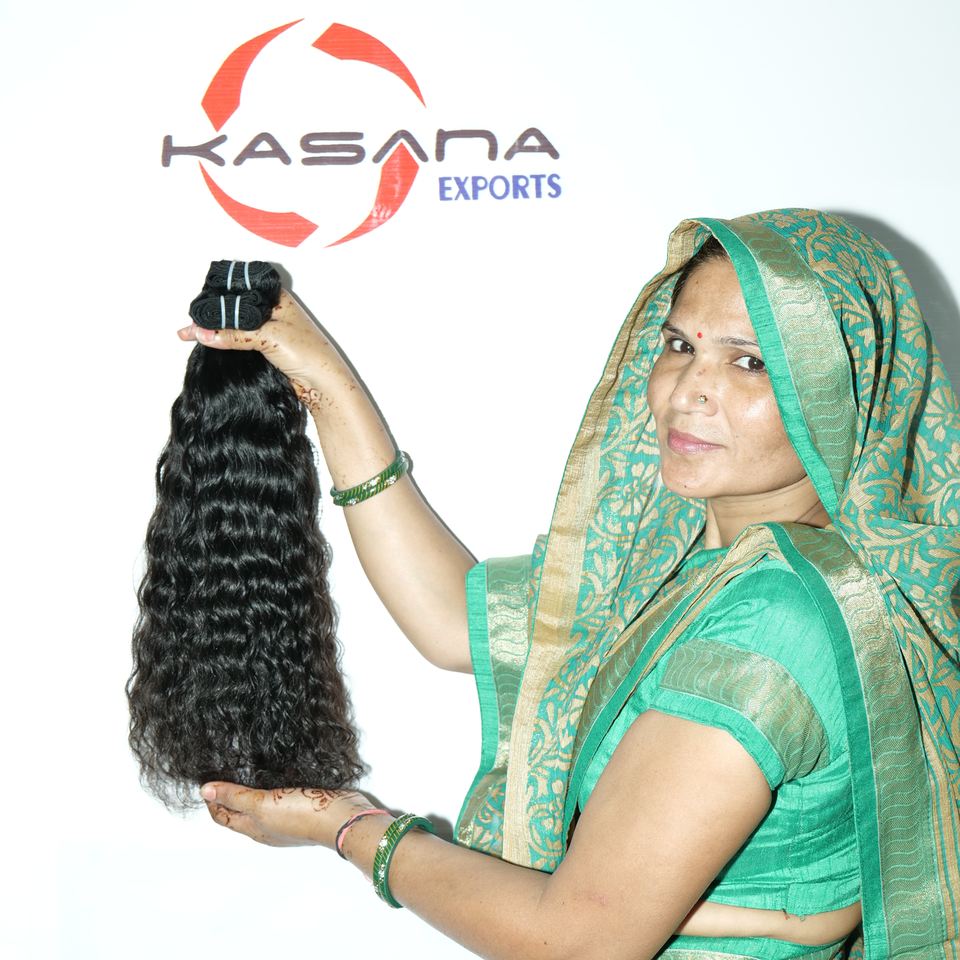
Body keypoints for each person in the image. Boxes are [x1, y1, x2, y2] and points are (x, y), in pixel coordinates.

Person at [176, 209, 960, 959]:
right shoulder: (692, 570)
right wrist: (322, 378)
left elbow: (573, 942)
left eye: (749, 362)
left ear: (842, 389)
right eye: (679, 345)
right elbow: (453, 622)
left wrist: (347, 827)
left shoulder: (774, 621)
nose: (689, 389)